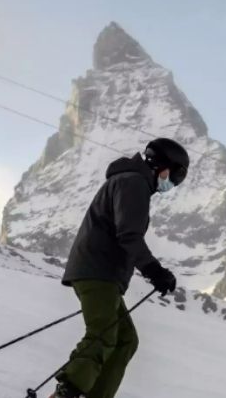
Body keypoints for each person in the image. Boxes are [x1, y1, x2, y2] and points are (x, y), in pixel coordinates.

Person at [51, 138, 189, 398]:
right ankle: (68, 391)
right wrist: (155, 271)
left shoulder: (132, 182)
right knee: (103, 334)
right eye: (176, 178)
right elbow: (129, 236)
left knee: (126, 340)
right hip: (97, 270)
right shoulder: (133, 183)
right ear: (164, 168)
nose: (172, 185)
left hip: (101, 271)